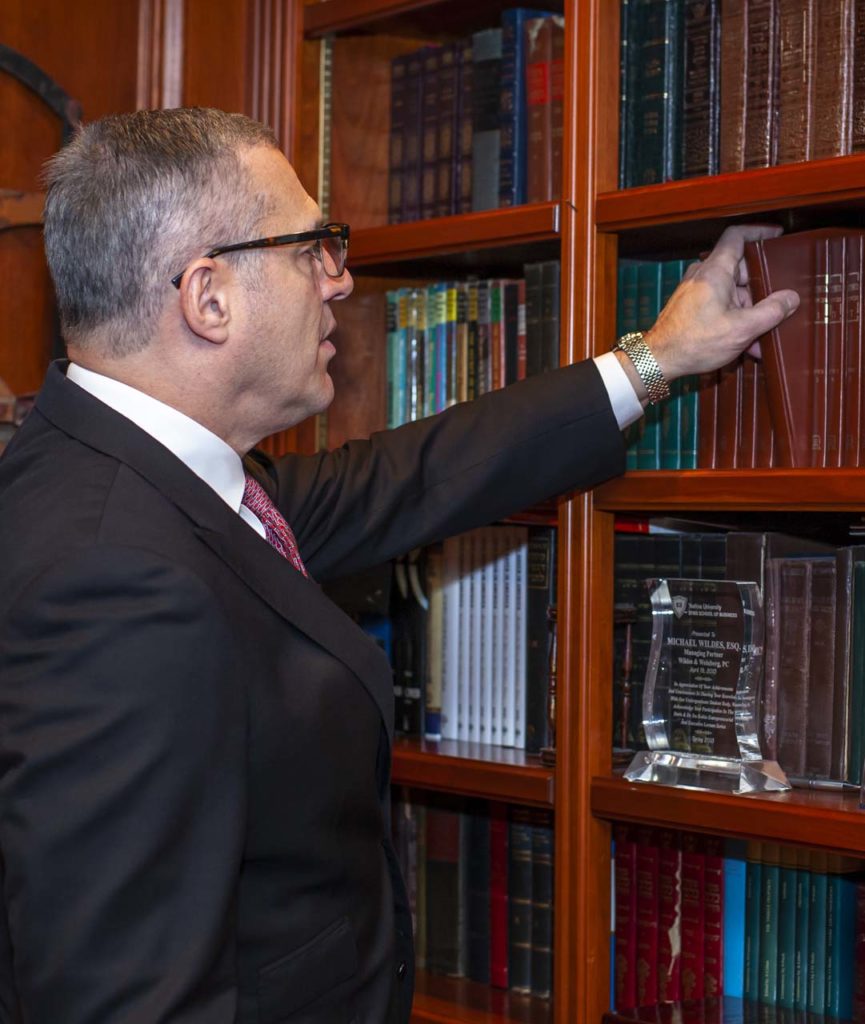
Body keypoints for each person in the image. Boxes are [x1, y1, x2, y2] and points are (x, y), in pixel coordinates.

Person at [0, 107, 798, 1024]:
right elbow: (120, 997)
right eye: (310, 248)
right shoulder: (114, 577)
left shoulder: (123, 472)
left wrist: (655, 359)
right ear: (207, 297)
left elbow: (403, 479)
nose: (339, 279)